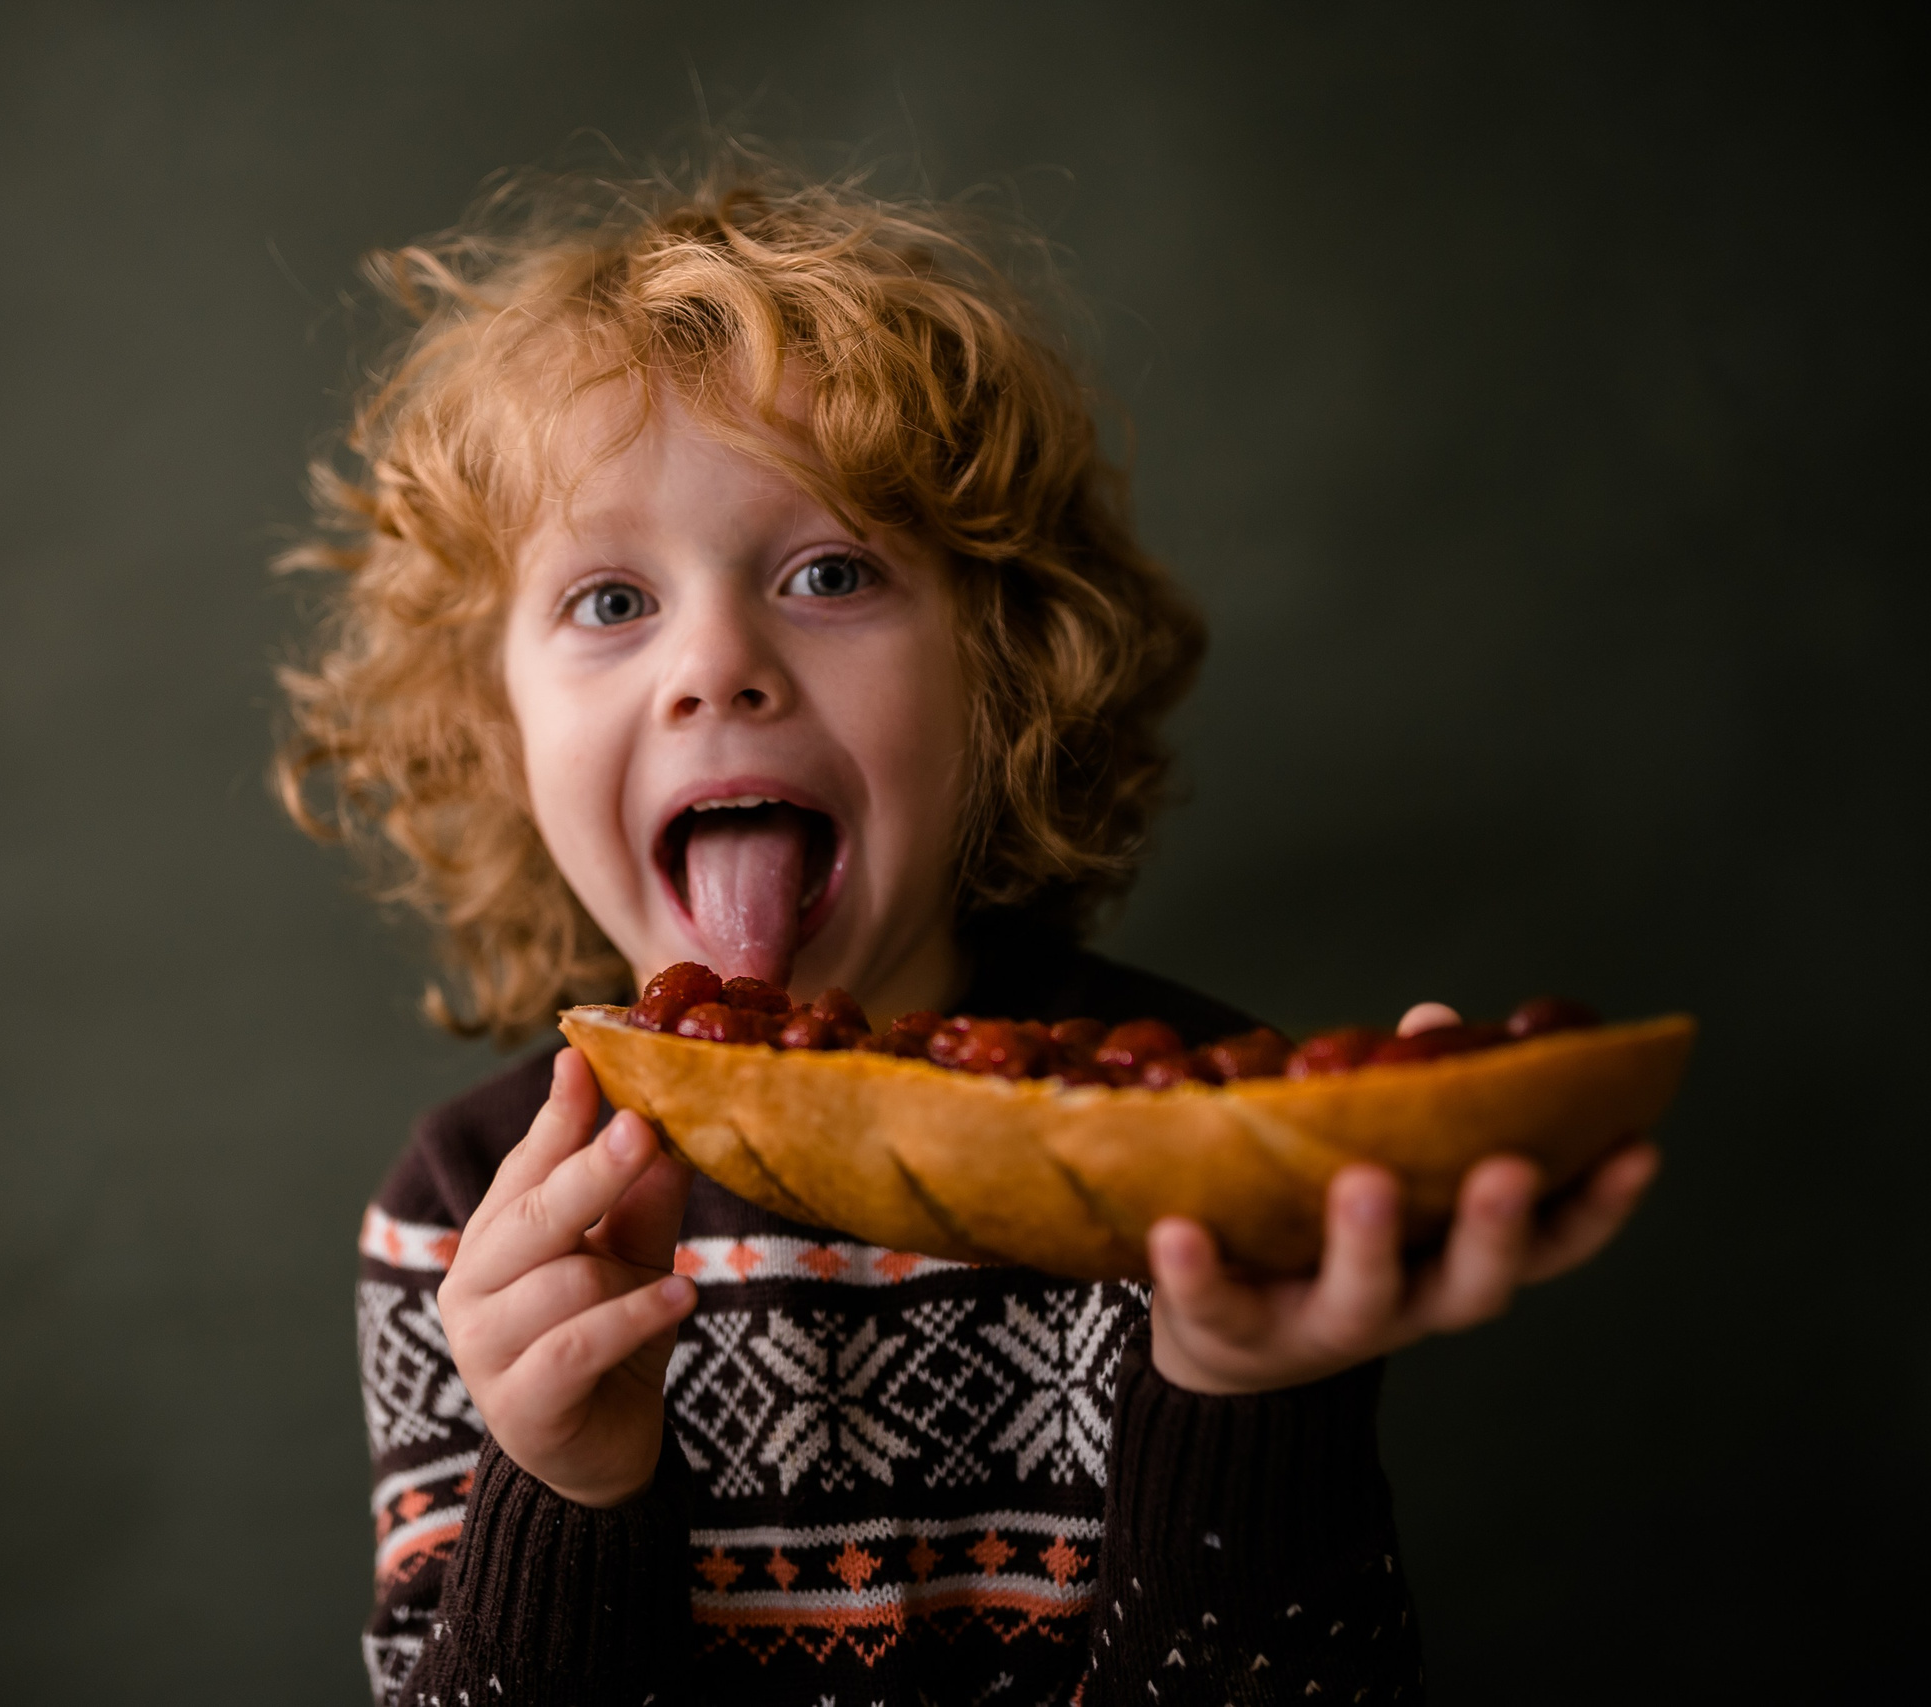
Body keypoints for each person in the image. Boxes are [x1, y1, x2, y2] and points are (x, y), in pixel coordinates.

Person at [278, 159, 1660, 1707]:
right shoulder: (467, 1219)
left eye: (831, 572)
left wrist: (1244, 1405)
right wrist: (564, 1487)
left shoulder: (1209, 1149)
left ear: (1001, 678)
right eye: (609, 602)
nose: (716, 666)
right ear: (495, 730)